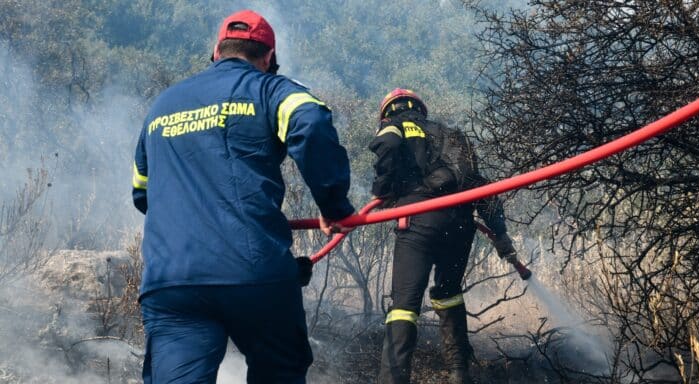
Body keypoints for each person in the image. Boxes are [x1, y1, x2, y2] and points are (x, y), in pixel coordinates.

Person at [131, 9, 355, 383]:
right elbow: (311, 123)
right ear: (268, 59)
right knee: (280, 370)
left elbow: (142, 193)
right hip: (253, 274)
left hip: (172, 282)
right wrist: (334, 206)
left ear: (216, 52)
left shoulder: (161, 106)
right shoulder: (271, 90)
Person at [369, 88, 531, 384]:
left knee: (404, 307)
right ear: (421, 107)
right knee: (449, 293)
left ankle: (392, 379)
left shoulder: (395, 125)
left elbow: (387, 145)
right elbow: (482, 187)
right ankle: (459, 373)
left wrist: (382, 189)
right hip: (460, 224)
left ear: (388, 111)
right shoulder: (451, 135)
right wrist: (501, 233)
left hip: (419, 221)